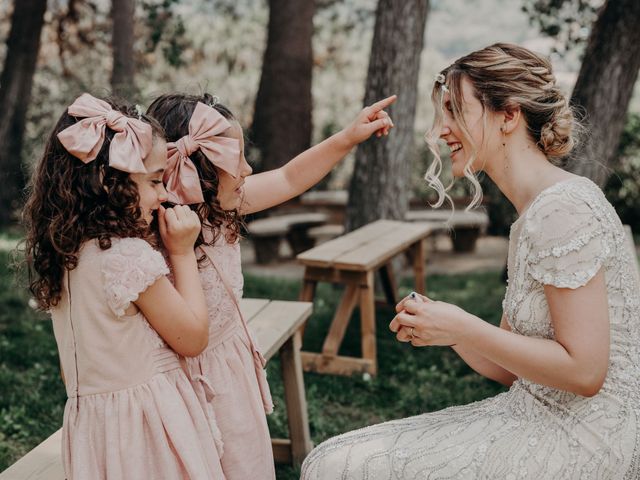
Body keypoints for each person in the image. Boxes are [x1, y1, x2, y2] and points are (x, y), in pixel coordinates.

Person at [300, 43, 640, 479]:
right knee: (335, 457)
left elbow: (586, 371)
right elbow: (508, 368)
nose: (441, 129)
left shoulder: (564, 209)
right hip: (534, 414)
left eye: (455, 110)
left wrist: (463, 326)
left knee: (339, 468)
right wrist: (448, 331)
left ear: (509, 116)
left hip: (588, 437)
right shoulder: (531, 216)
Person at [146, 92, 395, 479]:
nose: (246, 169)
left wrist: (348, 136)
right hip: (178, 383)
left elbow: (289, 177)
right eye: (236, 159)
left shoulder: (223, 209)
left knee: (242, 464)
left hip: (228, 372)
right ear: (198, 171)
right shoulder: (153, 239)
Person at [23, 93, 226, 479]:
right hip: (147, 430)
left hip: (95, 427)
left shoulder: (66, 255)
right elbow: (193, 338)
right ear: (108, 182)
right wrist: (181, 254)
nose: (164, 194)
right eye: (153, 181)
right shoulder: (127, 258)